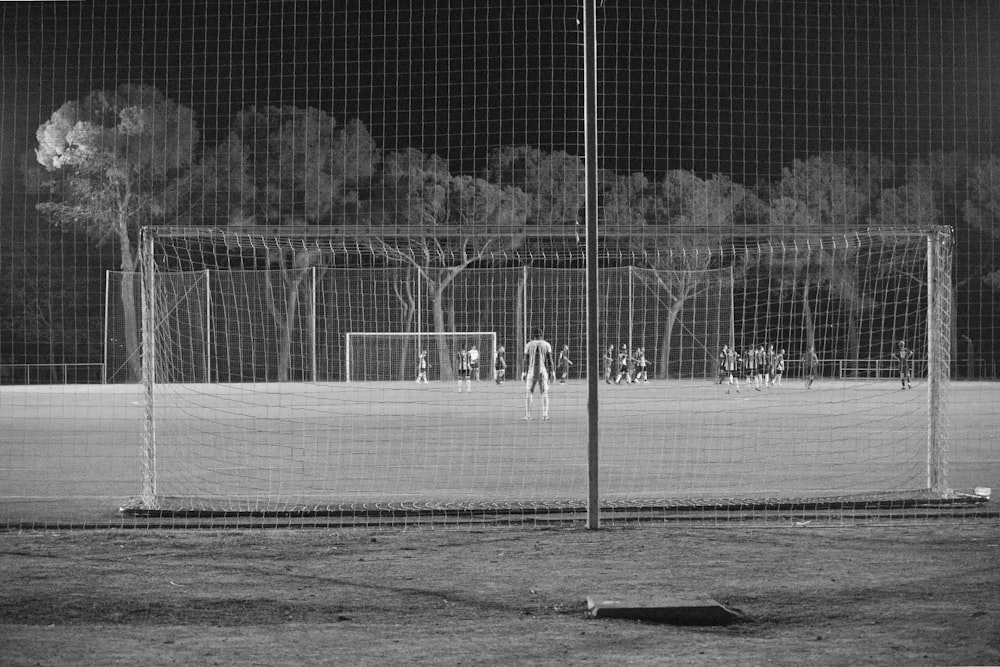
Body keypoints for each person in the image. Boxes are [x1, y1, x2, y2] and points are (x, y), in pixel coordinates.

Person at [522, 327, 554, 420]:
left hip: (531, 371)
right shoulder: (547, 344)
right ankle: (545, 415)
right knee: (544, 392)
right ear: (541, 334)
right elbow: (550, 360)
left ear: (533, 335)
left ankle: (528, 415)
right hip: (543, 371)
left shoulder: (528, 345)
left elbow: (525, 360)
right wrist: (553, 372)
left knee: (529, 392)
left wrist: (523, 373)